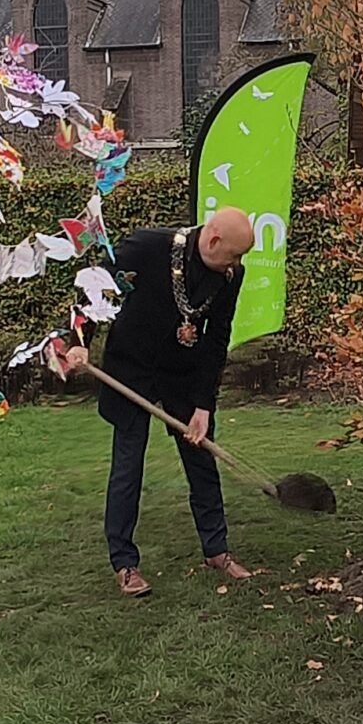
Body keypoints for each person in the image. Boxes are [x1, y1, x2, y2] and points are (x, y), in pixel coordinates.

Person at [59, 208, 257, 597]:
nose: (237, 264)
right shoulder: (145, 248)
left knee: (202, 461)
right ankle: (125, 563)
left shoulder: (230, 275)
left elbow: (217, 339)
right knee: (128, 464)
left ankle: (217, 550)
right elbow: (93, 292)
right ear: (214, 240)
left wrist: (204, 405)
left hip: (182, 375)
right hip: (130, 369)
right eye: (234, 254)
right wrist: (78, 343)